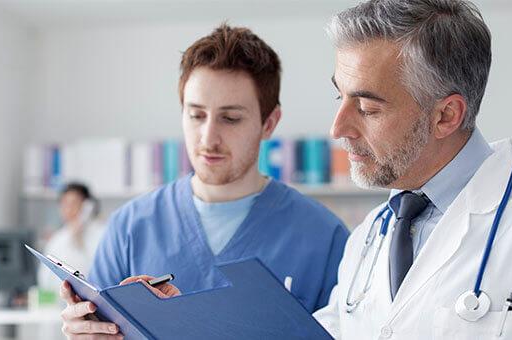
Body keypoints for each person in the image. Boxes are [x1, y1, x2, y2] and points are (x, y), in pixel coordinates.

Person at [59, 24, 349, 338]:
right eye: (196, 115)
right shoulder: (130, 228)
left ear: (269, 123)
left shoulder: (323, 236)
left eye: (231, 118)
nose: (208, 138)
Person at [313, 0, 512, 339]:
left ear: (446, 116)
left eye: (367, 108)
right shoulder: (368, 236)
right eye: (339, 97)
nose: (338, 129)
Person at [38, 182, 104, 292]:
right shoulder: (58, 238)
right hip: (60, 303)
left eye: (74, 203)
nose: (68, 209)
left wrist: (78, 241)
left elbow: (97, 275)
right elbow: (44, 279)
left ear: (88, 206)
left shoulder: (102, 233)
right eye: (64, 204)